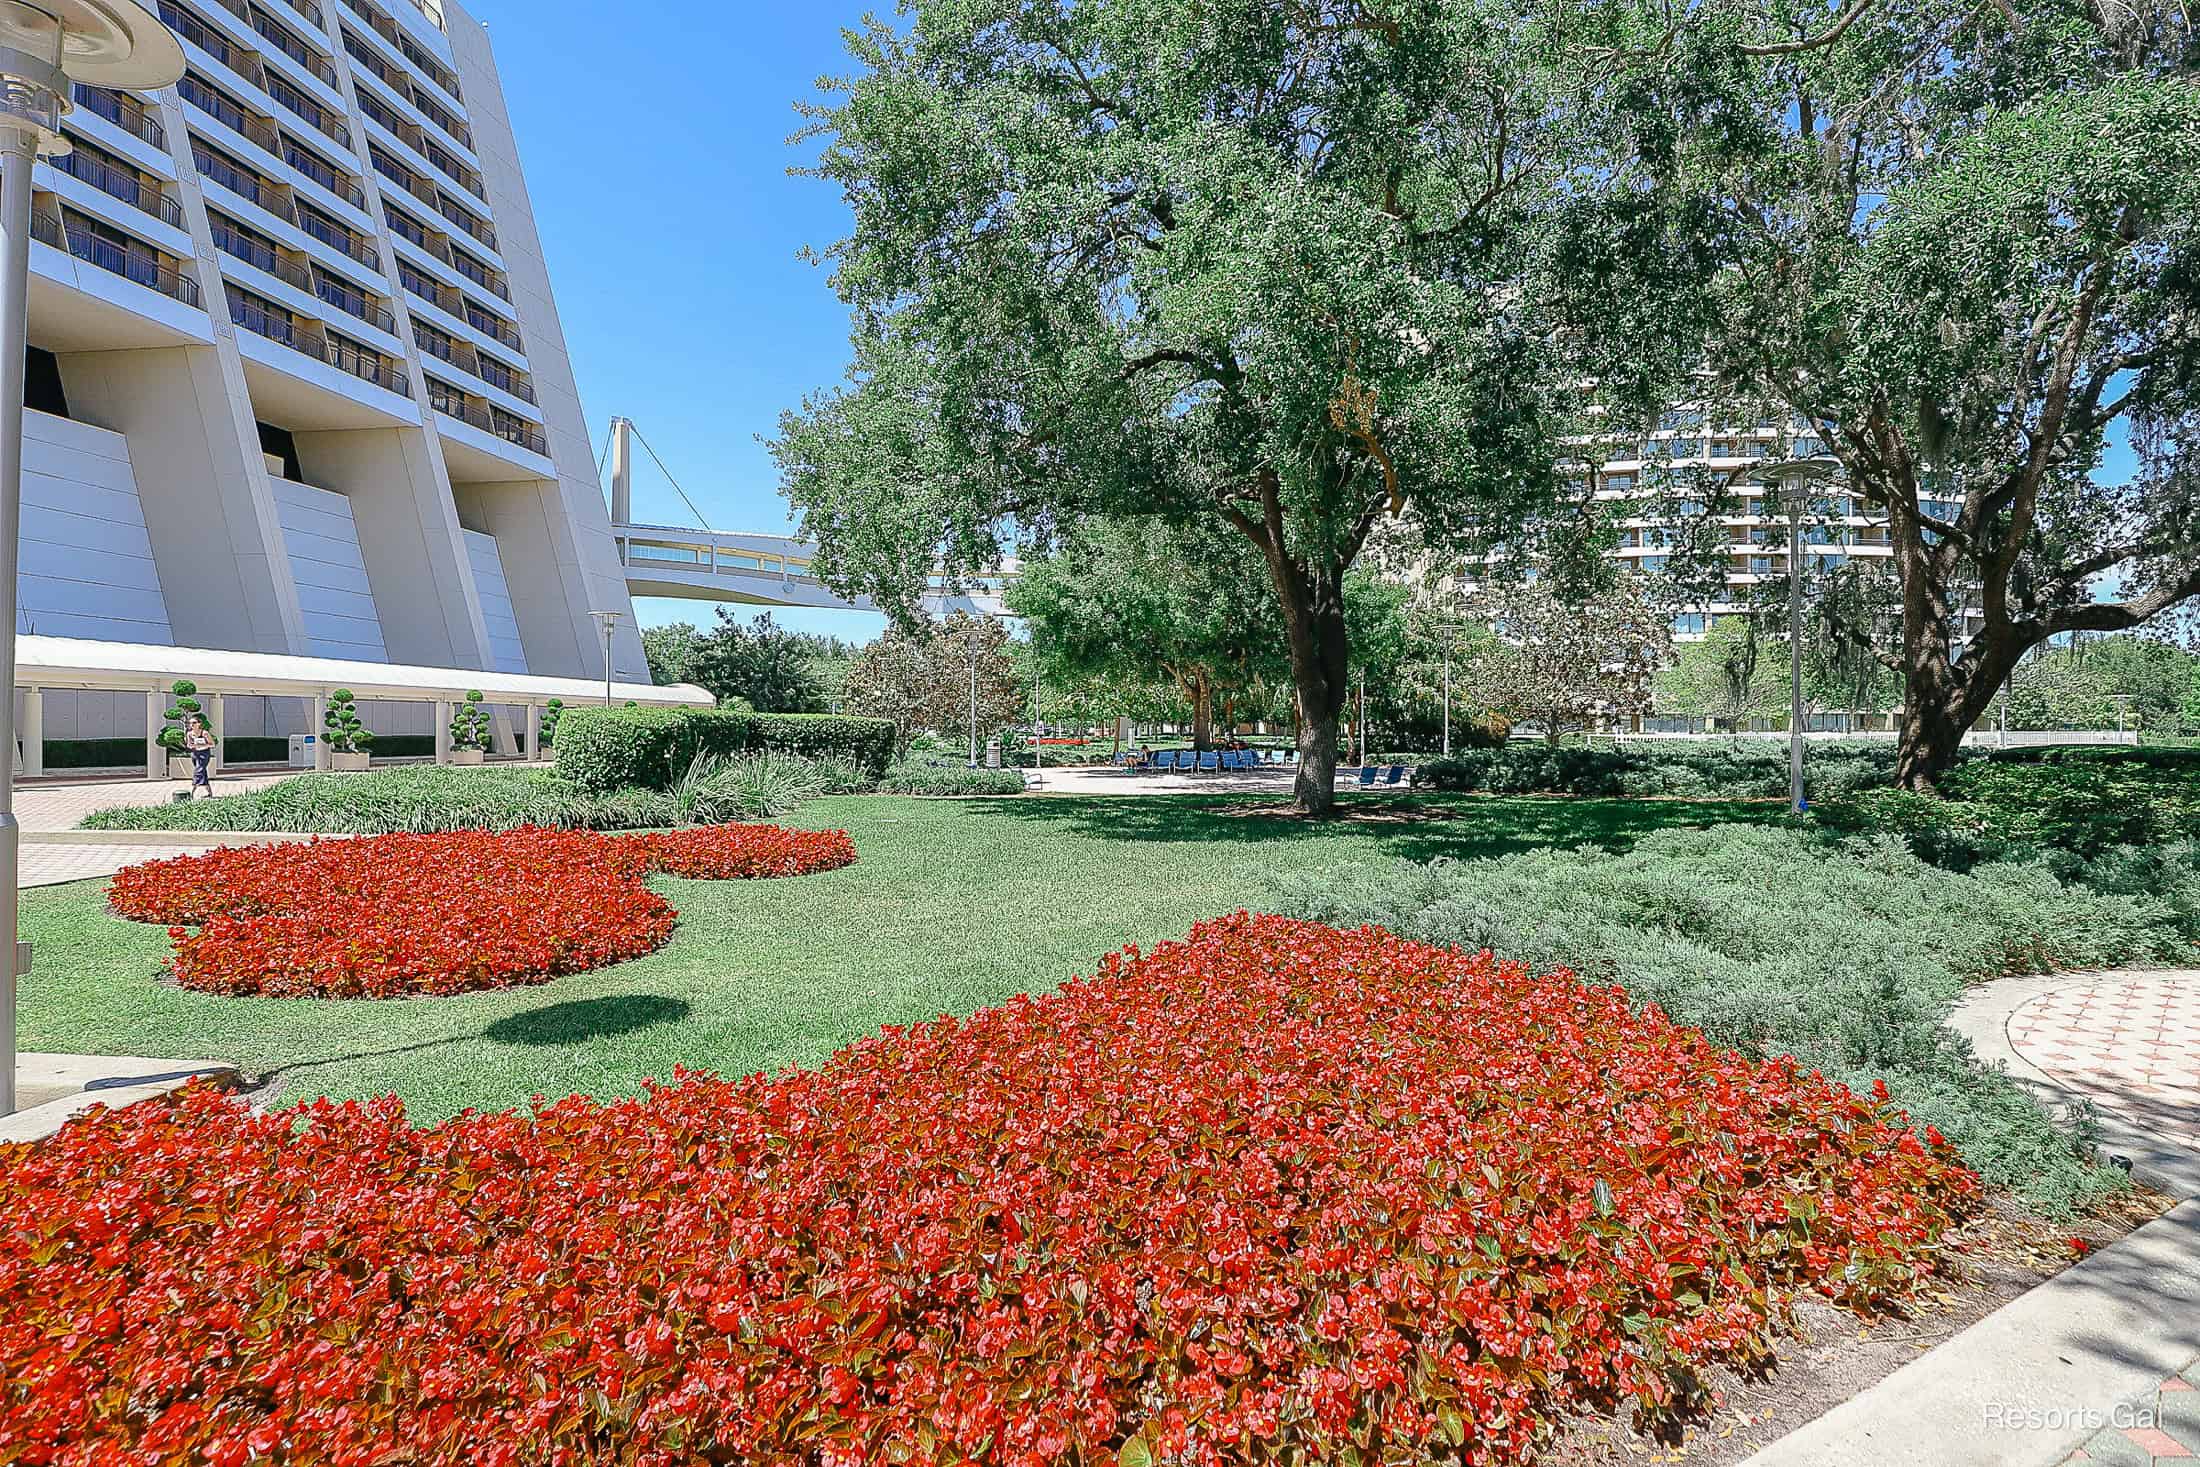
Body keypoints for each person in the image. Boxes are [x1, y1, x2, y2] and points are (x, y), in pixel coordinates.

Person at [182, 712, 215, 796]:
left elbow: (212, 744)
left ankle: (191, 792)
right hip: (195, 754)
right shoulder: (189, 734)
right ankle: (209, 792)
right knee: (202, 771)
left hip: (204, 754)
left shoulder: (204, 733)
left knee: (198, 771)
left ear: (199, 724)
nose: (192, 724)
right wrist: (192, 746)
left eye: (194, 723)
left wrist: (202, 745)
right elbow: (189, 745)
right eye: (190, 723)